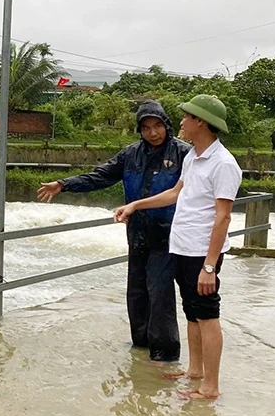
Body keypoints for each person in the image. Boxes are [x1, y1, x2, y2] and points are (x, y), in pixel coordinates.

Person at [37, 101, 191, 361]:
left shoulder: (184, 154)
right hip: (137, 233)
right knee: (137, 294)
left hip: (168, 235)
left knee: (160, 294)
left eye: (157, 126)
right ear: (139, 130)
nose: (153, 133)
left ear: (166, 125)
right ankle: (140, 354)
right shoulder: (131, 154)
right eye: (146, 128)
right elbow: (100, 176)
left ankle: (164, 357)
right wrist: (64, 184)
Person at [114, 94, 242, 400]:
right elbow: (174, 193)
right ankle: (195, 371)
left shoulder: (223, 163)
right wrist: (135, 205)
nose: (181, 121)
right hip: (183, 247)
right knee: (192, 312)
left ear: (201, 122)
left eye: (187, 117)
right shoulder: (193, 157)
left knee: (207, 315)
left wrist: (209, 266)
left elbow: (223, 217)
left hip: (202, 252)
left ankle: (210, 386)